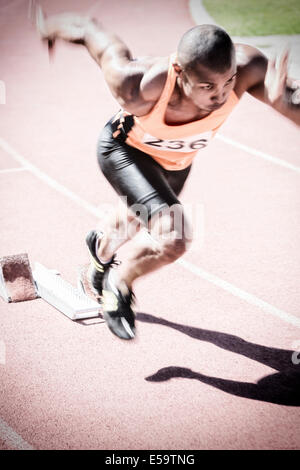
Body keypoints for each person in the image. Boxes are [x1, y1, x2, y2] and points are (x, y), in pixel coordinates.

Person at [36, 6, 300, 340]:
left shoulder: (249, 67)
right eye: (207, 87)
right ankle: (119, 285)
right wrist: (49, 26)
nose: (220, 96)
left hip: (177, 162)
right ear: (179, 70)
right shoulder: (137, 83)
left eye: (227, 83)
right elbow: (89, 29)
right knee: (174, 237)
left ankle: (98, 251)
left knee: (132, 220)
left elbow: (294, 107)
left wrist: (289, 107)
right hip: (124, 151)